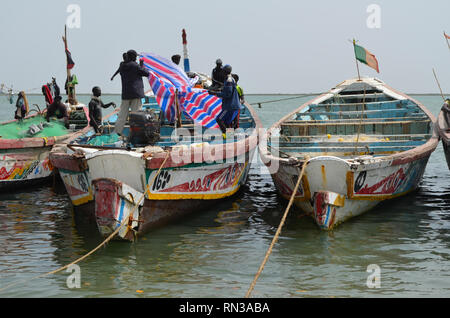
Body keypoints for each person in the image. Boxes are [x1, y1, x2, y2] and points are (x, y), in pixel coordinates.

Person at [113, 49, 150, 135]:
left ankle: (117, 132)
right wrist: (142, 65)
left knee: (122, 115)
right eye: (135, 57)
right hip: (135, 94)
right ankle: (135, 133)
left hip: (126, 94)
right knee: (136, 114)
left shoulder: (122, 66)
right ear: (132, 57)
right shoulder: (135, 65)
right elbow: (146, 73)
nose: (136, 58)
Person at [210, 64, 241, 135]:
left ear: (225, 72)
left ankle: (226, 136)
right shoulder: (230, 79)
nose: (222, 72)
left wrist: (214, 93)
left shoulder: (229, 80)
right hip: (233, 106)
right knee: (226, 122)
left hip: (230, 106)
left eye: (223, 71)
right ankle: (229, 136)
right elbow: (227, 91)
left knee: (219, 119)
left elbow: (228, 94)